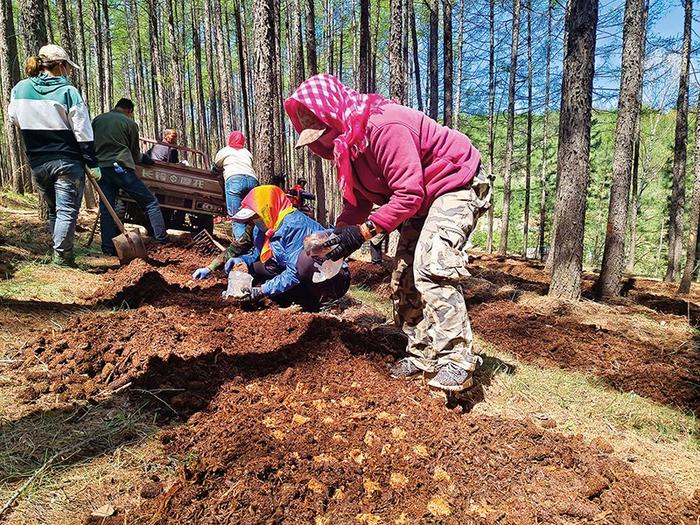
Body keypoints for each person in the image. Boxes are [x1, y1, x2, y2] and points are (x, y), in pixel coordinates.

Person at [285, 74, 490, 392]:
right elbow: (358, 204)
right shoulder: (349, 147)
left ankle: (457, 360)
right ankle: (422, 353)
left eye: (320, 135)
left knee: (432, 265)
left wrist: (361, 233)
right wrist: (338, 238)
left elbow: (407, 194)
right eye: (311, 139)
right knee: (404, 274)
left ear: (333, 116)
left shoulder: (382, 127)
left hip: (455, 182)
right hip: (422, 198)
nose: (317, 145)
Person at [8, 44, 99, 267]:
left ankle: (60, 253)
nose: (68, 71)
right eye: (67, 67)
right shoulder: (69, 92)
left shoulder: (20, 89)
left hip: (38, 161)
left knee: (54, 209)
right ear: (58, 65)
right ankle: (63, 258)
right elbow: (82, 130)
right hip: (67, 160)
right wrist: (92, 161)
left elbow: (14, 119)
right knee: (67, 210)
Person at [223, 185, 350, 311]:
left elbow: (294, 272)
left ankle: (326, 301)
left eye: (256, 216)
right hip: (299, 274)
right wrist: (242, 260)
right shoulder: (263, 228)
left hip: (331, 277)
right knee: (257, 268)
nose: (253, 221)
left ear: (268, 209)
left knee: (306, 261)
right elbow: (257, 255)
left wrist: (263, 290)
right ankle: (293, 298)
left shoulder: (294, 225)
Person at [92, 98, 168, 255]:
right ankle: (161, 240)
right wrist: (142, 159)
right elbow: (134, 152)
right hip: (121, 168)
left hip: (101, 169)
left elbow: (90, 144)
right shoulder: (129, 124)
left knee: (107, 208)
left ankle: (107, 248)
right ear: (129, 111)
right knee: (150, 202)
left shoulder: (98, 120)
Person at [191, 131, 258, 279]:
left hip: (235, 181)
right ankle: (253, 249)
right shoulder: (247, 153)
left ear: (230, 140)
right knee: (251, 217)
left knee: (237, 219)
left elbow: (215, 170)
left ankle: (242, 254)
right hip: (252, 181)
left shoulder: (224, 151)